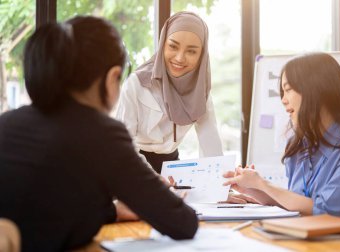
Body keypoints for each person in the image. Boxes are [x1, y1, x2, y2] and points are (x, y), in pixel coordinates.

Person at [0, 16, 198, 252]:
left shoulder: (7, 123)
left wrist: (112, 211)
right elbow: (183, 223)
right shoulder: (102, 134)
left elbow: (42, 207)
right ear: (112, 77)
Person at [223, 53, 340, 228]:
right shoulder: (298, 145)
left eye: (288, 89)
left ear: (316, 89)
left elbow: (324, 211)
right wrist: (254, 190)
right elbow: (297, 205)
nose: (283, 100)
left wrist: (263, 184)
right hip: (305, 238)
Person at [115, 11, 223, 173]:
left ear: (202, 55)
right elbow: (123, 146)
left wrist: (221, 186)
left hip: (171, 164)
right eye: (173, 46)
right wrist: (154, 180)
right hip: (133, 162)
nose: (180, 58)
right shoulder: (135, 84)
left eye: (191, 51)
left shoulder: (199, 90)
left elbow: (210, 141)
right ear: (163, 43)